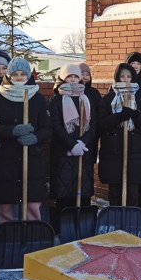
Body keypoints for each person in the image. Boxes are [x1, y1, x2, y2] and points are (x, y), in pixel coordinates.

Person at [0, 58, 51, 224]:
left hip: (31, 159)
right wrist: (12, 131)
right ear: (9, 75)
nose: (19, 77)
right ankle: (7, 235)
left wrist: (35, 137)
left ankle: (34, 235)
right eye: (15, 74)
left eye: (23, 74)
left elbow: (46, 127)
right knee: (6, 203)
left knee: (32, 203)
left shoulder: (37, 98)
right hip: (5, 158)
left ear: (28, 75)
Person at [98, 63, 141, 205]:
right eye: (122, 76)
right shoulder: (109, 99)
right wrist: (119, 116)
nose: (125, 79)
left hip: (135, 154)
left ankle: (132, 225)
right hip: (114, 154)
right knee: (115, 194)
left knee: (133, 194)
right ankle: (116, 224)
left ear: (133, 78)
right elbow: (101, 125)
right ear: (117, 77)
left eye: (128, 76)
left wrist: (135, 115)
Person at [48, 64, 97, 225]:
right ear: (63, 78)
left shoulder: (85, 98)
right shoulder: (56, 99)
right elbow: (55, 126)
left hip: (83, 152)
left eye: (76, 77)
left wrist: (83, 142)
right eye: (70, 77)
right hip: (63, 153)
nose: (73, 80)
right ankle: (63, 227)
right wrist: (71, 145)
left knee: (82, 192)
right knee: (65, 192)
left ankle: (81, 226)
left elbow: (93, 124)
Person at [78, 62, 102, 168]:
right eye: (82, 74)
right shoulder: (71, 92)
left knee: (87, 165)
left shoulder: (94, 93)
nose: (85, 77)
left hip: (91, 135)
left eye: (87, 74)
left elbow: (98, 113)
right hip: (75, 133)